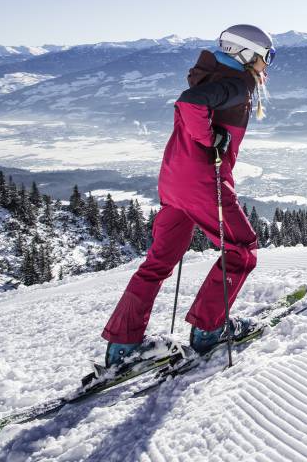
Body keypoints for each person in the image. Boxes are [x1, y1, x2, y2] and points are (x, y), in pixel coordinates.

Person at [100, 24, 275, 367]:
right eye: (265, 57)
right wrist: (211, 141)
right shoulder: (236, 84)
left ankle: (123, 346)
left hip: (173, 181)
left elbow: (193, 101)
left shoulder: (211, 76)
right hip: (202, 183)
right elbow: (189, 103)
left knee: (159, 261)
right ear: (246, 54)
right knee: (242, 250)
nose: (267, 65)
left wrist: (208, 137)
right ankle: (208, 330)